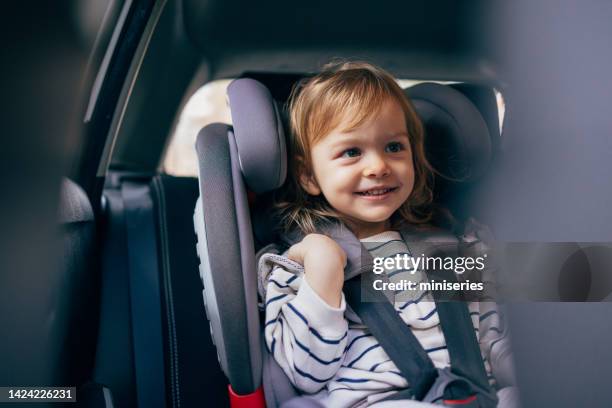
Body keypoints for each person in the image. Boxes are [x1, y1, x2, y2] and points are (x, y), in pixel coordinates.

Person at [258, 61, 519, 407]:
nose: (378, 166)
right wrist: (324, 269)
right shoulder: (295, 268)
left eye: (394, 147)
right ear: (308, 175)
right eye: (351, 152)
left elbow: (495, 335)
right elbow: (306, 374)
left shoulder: (454, 246)